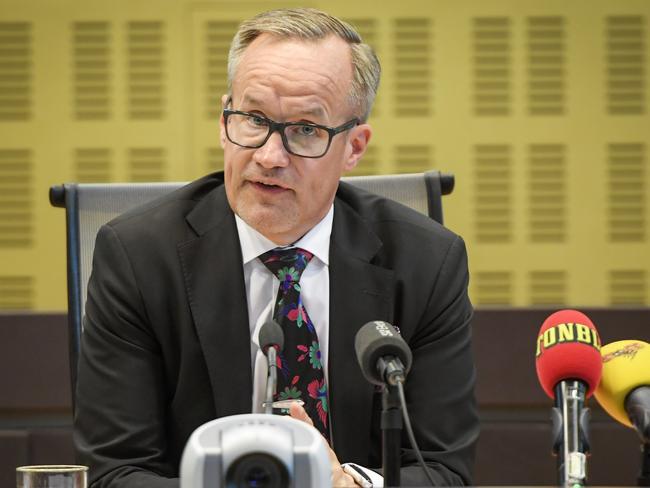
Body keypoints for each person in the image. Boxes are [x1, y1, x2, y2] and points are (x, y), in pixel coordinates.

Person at [74, 7, 478, 487]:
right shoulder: (138, 257)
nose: (269, 156)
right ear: (225, 121)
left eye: (306, 129)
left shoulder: (427, 263)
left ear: (354, 147)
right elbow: (114, 472)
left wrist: (348, 486)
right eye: (253, 119)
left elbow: (443, 471)